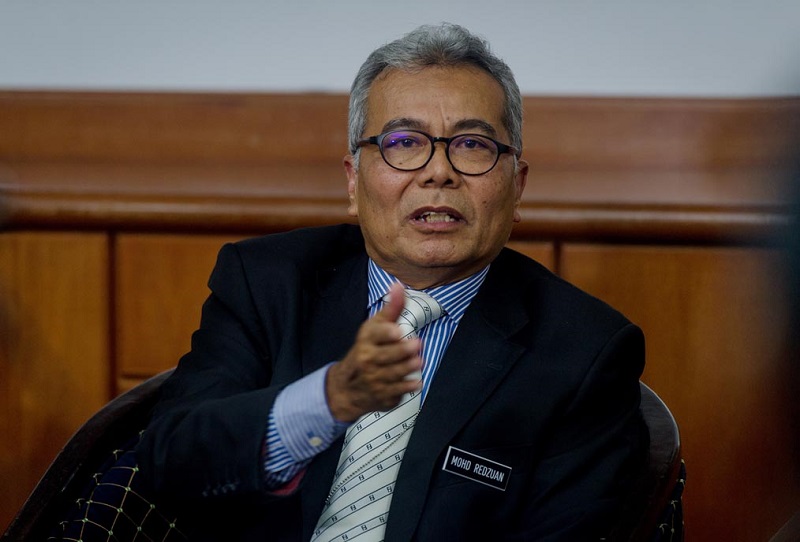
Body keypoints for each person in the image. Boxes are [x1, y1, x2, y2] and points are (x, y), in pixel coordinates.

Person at [137, 23, 647, 541]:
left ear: (516, 187)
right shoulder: (268, 282)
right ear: (353, 180)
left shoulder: (585, 352)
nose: (438, 172)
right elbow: (169, 462)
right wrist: (327, 401)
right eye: (404, 142)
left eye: (472, 144)